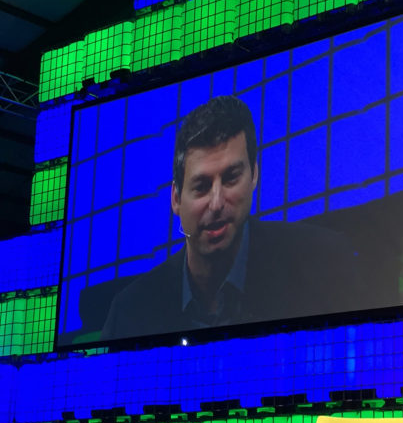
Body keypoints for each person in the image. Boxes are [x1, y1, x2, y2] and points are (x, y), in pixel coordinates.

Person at [102, 95, 362, 340]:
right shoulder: (129, 315)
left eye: (231, 178)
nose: (216, 203)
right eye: (201, 186)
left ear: (254, 176)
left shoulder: (324, 264)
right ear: (176, 199)